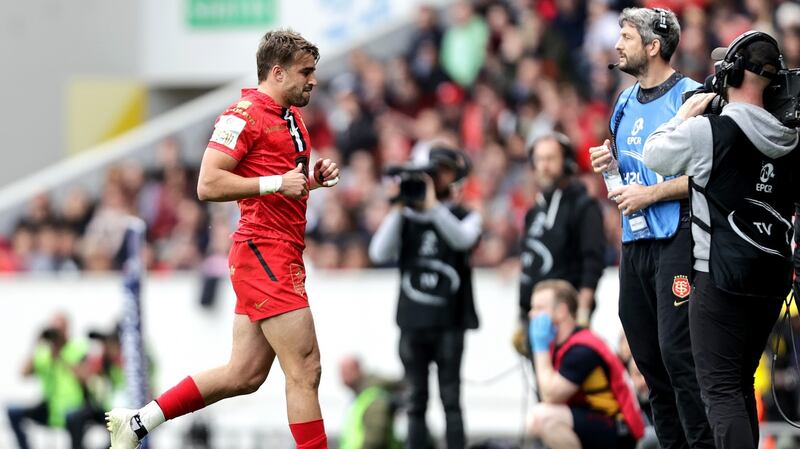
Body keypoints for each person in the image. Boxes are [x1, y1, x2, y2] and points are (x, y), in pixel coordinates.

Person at [105, 29, 340, 449]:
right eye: (306, 72)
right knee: (305, 370)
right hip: (264, 251)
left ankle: (138, 423)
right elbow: (208, 183)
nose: (313, 80)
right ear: (278, 71)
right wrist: (273, 184)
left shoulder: (290, 115)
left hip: (276, 250)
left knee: (244, 374)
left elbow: (281, 184)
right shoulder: (243, 114)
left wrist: (310, 182)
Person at [643, 30, 799, 449]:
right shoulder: (791, 139)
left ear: (730, 73)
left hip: (720, 278)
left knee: (720, 390)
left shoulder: (712, 131)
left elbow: (654, 155)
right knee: (738, 383)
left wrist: (686, 114)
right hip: (772, 278)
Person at [587, 7, 713, 449]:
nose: (617, 45)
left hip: (676, 239)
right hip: (634, 242)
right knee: (649, 361)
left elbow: (709, 176)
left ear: (653, 46)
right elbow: (633, 174)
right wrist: (612, 166)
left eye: (625, 36)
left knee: (679, 357)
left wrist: (651, 196)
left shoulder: (691, 97)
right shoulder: (623, 101)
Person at [368, 147, 480, 449]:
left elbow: (464, 239)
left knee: (451, 400)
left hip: (450, 322)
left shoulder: (464, 215)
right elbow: (377, 252)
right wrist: (401, 206)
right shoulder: (406, 217)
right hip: (412, 323)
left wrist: (432, 208)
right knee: (415, 400)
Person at [527, 280, 643, 449]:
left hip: (618, 429)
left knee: (542, 417)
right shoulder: (562, 343)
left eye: (539, 308)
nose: (531, 314)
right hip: (595, 420)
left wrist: (540, 348)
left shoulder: (582, 349)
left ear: (561, 311)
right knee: (546, 422)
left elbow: (550, 395)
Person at [519, 132, 605, 327]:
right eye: (539, 159)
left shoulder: (585, 206)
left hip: (567, 314)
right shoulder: (533, 211)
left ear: (567, 163)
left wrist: (582, 312)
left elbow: (593, 263)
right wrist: (522, 315)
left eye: (550, 159)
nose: (544, 166)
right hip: (535, 314)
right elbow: (528, 264)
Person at [8, 313, 88, 449]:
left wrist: (61, 356)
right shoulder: (44, 352)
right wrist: (37, 344)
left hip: (73, 407)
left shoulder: (77, 347)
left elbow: (85, 377)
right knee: (13, 411)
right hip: (50, 407)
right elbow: (23, 373)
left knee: (74, 417)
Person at [338, 356, 403, 449]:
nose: (342, 376)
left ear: (358, 369)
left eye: (346, 371)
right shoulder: (360, 398)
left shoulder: (372, 396)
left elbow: (375, 440)